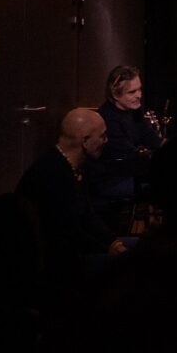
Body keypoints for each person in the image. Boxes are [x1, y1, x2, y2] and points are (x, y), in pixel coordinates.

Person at [16, 108, 127, 298]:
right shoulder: (52, 175)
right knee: (135, 266)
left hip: (73, 253)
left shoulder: (70, 167)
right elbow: (67, 233)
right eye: (102, 136)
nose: (106, 141)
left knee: (140, 248)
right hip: (59, 266)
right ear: (85, 141)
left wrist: (113, 241)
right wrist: (109, 249)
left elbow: (87, 216)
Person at [84, 65, 163, 234]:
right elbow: (129, 160)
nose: (139, 95)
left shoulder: (132, 112)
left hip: (129, 173)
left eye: (139, 89)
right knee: (170, 187)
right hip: (111, 180)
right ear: (115, 94)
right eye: (132, 92)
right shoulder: (108, 120)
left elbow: (153, 140)